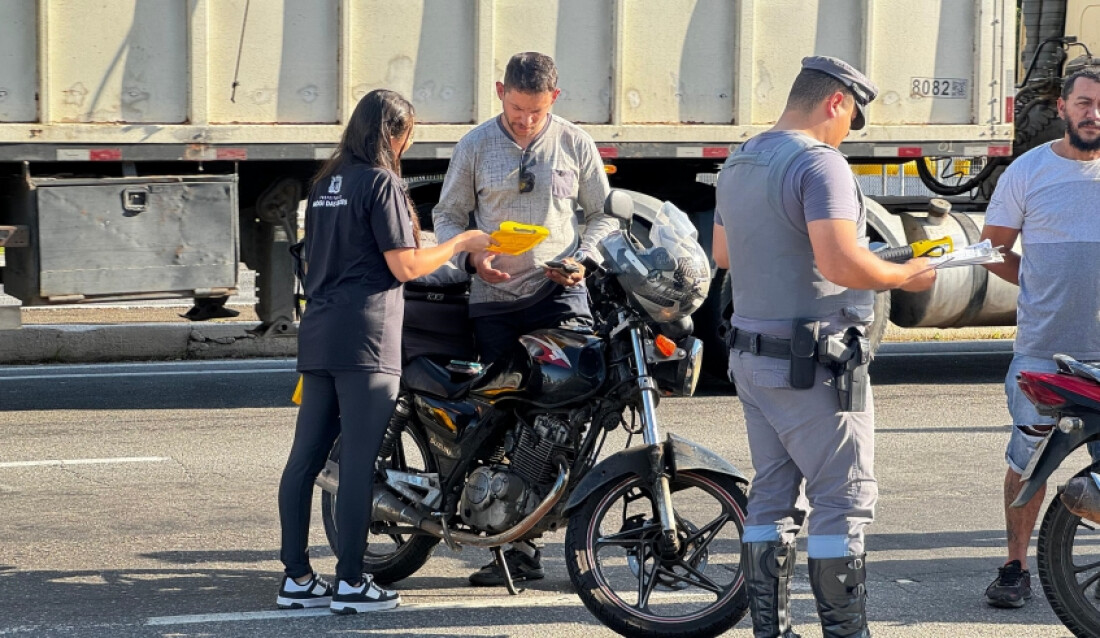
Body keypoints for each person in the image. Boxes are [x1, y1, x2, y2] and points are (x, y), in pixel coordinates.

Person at [712, 56, 936, 638]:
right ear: (836, 100)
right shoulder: (821, 164)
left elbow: (725, 256)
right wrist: (904, 274)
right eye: (850, 117)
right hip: (815, 366)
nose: (846, 132)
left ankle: (773, 633)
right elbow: (839, 262)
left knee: (772, 499)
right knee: (844, 500)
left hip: (754, 358)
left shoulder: (741, 158)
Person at [276, 89, 494, 614]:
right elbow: (406, 265)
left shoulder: (326, 183)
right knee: (357, 464)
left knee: (305, 459)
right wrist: (463, 243)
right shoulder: (382, 182)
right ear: (395, 135)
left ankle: (296, 578)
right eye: (408, 134)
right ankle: (351, 581)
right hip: (366, 338)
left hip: (320, 331)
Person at [433, 51, 616, 587]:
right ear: (499, 91)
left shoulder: (575, 142)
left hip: (559, 296)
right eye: (516, 109)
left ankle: (569, 516)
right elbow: (447, 215)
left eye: (536, 112)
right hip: (494, 301)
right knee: (505, 420)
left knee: (570, 411)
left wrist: (585, 258)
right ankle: (511, 547)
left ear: (554, 100)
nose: (526, 120)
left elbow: (602, 213)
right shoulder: (474, 145)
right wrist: (469, 258)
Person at [980, 68, 1100, 610]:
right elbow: (993, 249)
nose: (1093, 113)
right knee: (1029, 461)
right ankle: (1014, 566)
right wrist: (1038, 280)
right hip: (1045, 350)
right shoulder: (1028, 171)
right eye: (1084, 102)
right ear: (1062, 106)